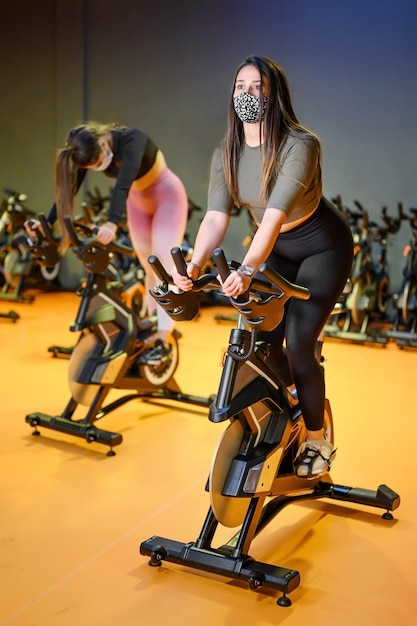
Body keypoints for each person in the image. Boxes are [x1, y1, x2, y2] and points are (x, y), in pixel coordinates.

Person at [172, 56, 353, 478]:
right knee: (260, 336)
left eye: (258, 87)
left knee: (299, 342)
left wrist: (248, 269)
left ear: (274, 95)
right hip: (277, 248)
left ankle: (315, 437)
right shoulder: (227, 151)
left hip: (323, 248)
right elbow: (217, 216)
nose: (247, 94)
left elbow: (272, 216)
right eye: (240, 86)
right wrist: (195, 264)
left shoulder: (300, 144)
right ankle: (288, 400)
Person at [26, 121, 189, 364]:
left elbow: (121, 186)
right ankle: (154, 327)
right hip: (137, 202)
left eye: (98, 162)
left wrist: (112, 223)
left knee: (164, 266)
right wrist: (47, 223)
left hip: (167, 196)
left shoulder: (133, 140)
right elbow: (69, 188)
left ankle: (164, 341)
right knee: (148, 267)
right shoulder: (86, 151)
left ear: (103, 143)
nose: (99, 167)